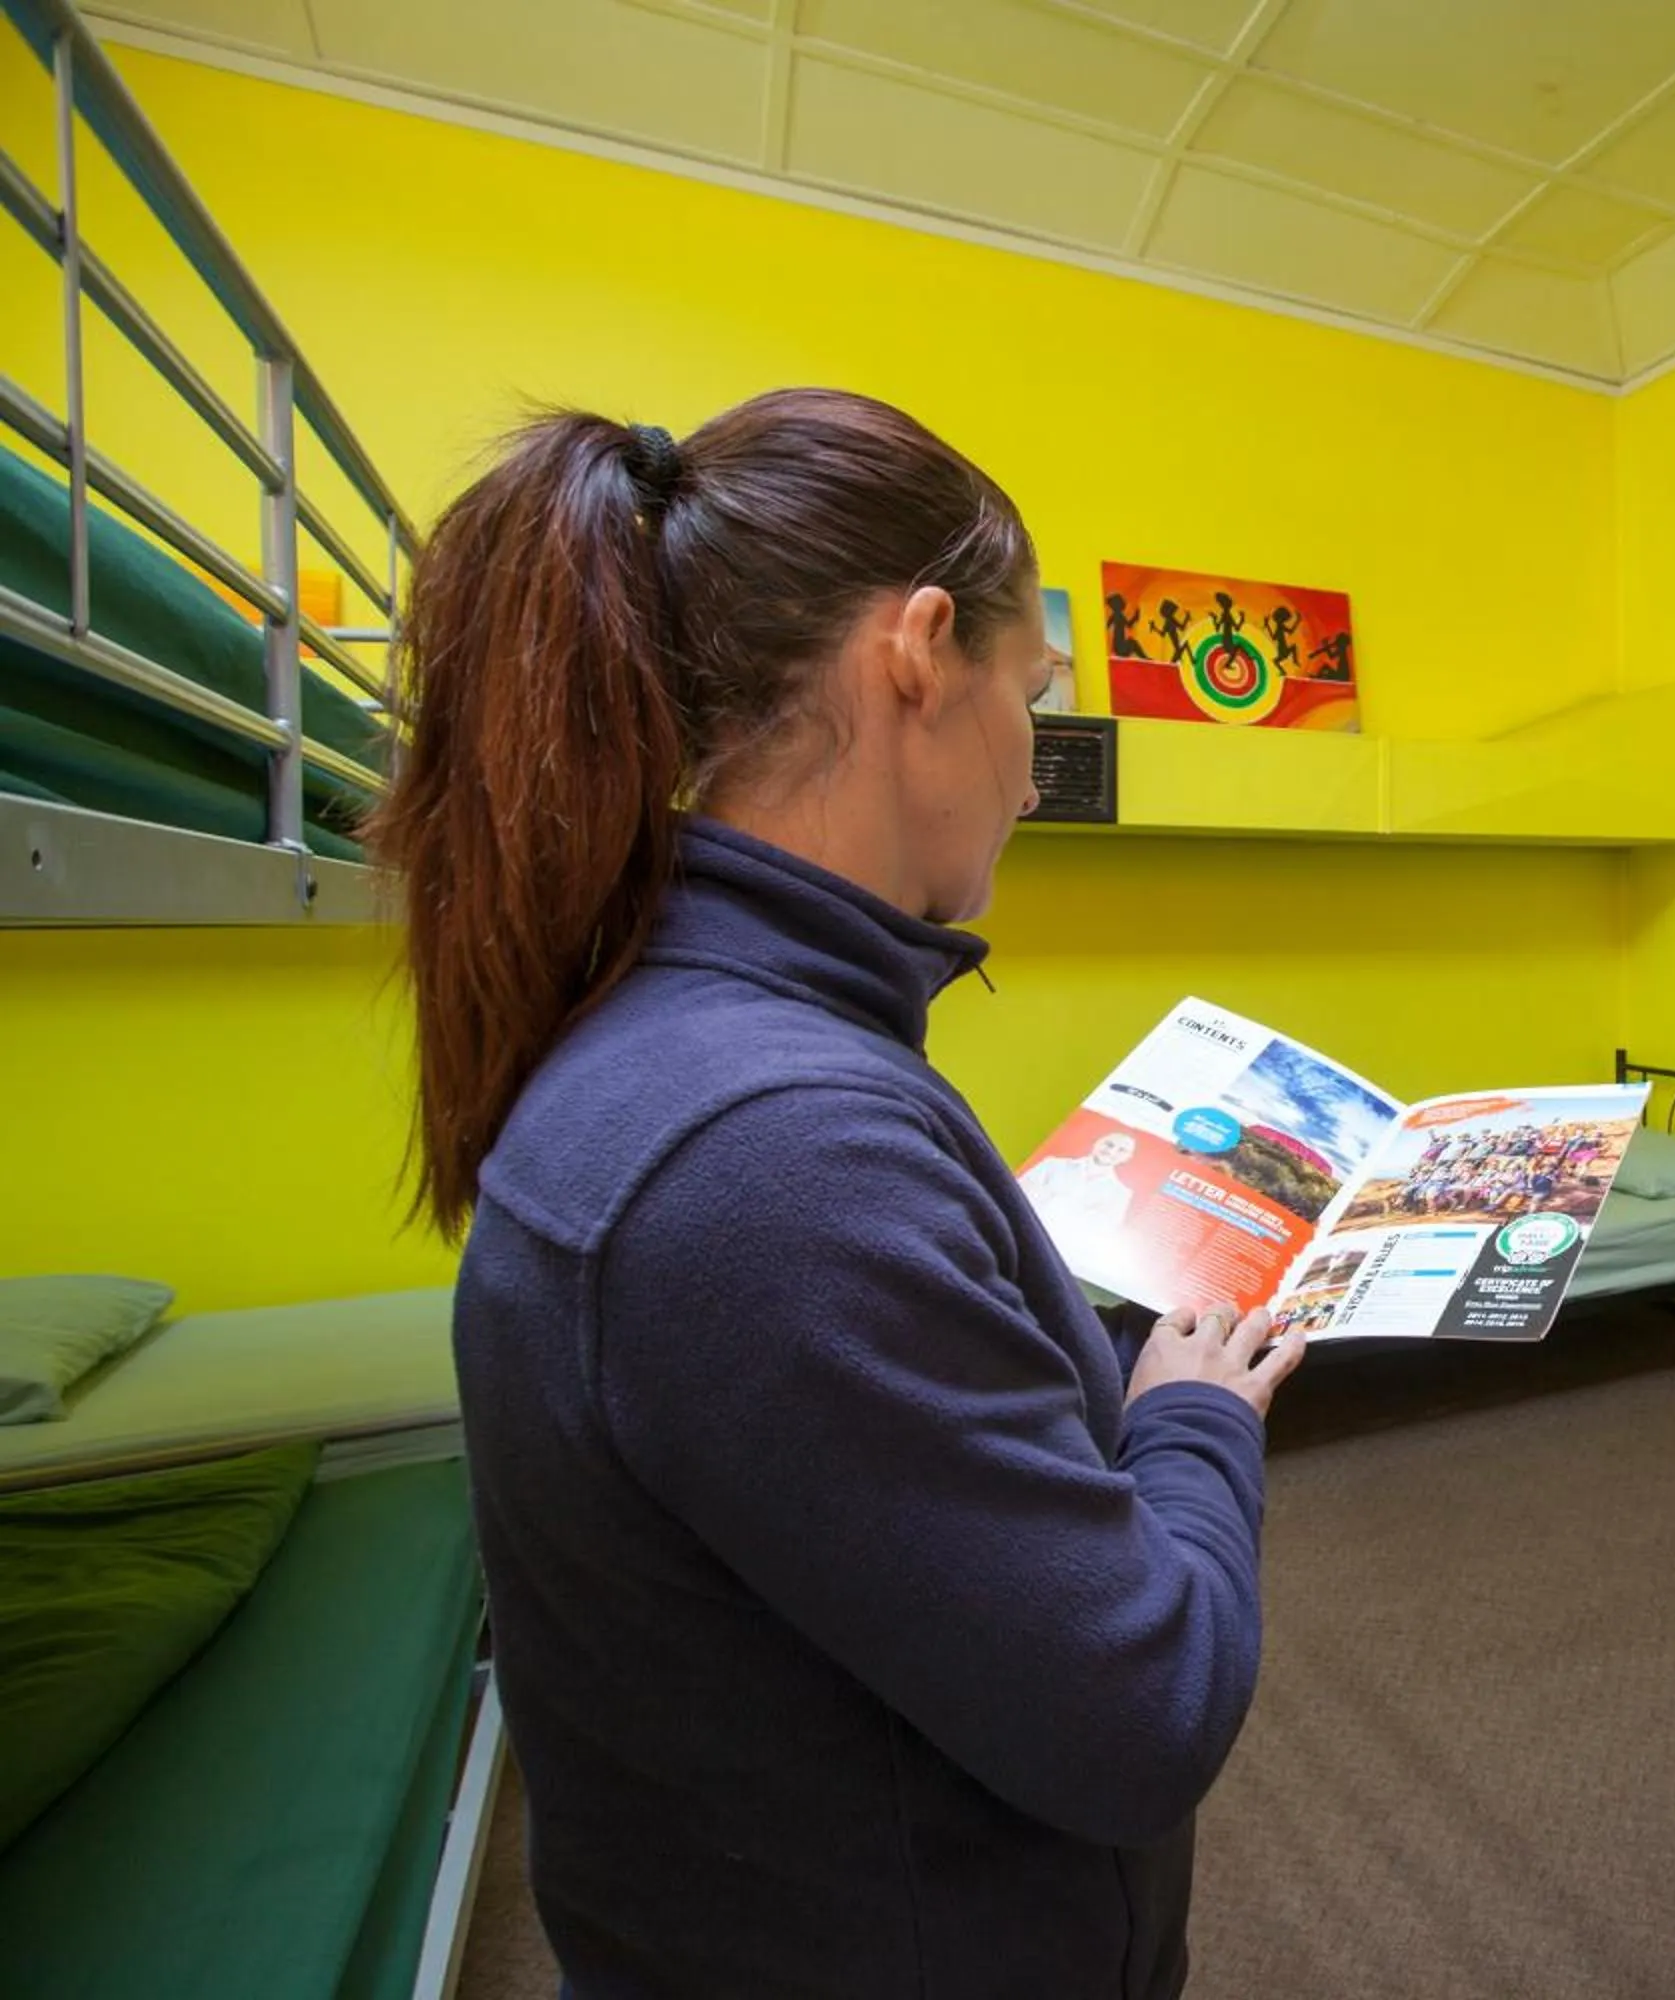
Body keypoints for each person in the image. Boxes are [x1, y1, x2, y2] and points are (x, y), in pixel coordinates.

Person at [369, 388, 1303, 2000]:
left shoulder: (700, 1053)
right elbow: (1144, 1712)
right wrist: (1192, 1417)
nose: (1034, 777)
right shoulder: (771, 1156)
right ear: (921, 652)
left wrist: (1043, 1327)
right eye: (1034, 695)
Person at [1023, 1128, 1142, 1243]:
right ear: (1097, 1142)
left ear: (1127, 1158)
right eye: (1109, 1144)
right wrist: (1084, 1213)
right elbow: (1022, 1195)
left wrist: (1052, 1197)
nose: (1112, 1151)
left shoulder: (1121, 1193)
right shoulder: (1052, 1164)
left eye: (1122, 1150)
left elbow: (1101, 1231)